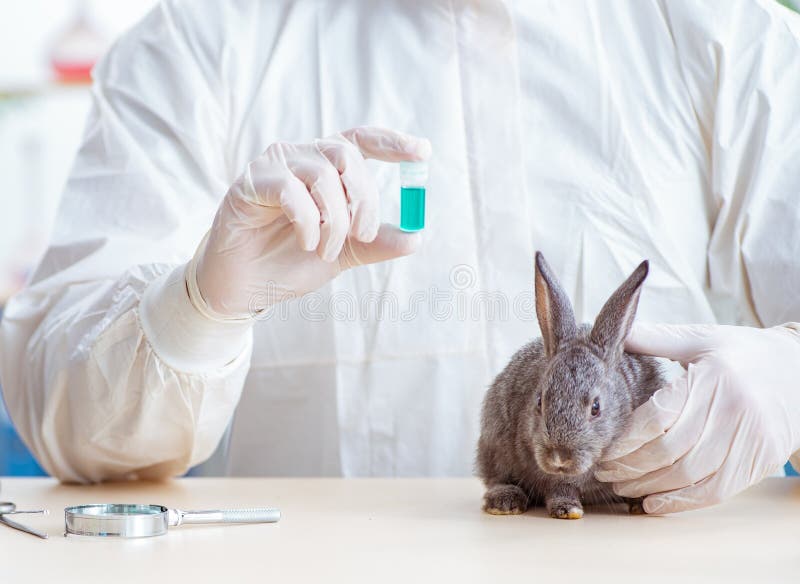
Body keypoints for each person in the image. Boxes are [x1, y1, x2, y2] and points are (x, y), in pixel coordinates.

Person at [1, 0, 799, 515]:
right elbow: (62, 427)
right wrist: (199, 308)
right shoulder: (196, 42)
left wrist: (791, 374)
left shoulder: (729, 33)